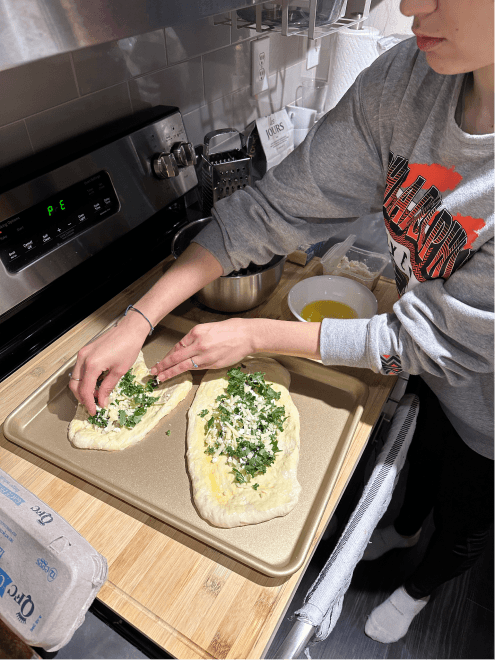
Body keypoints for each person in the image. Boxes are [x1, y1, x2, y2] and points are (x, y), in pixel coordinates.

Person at [70, 0, 494, 644]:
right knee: (424, 449)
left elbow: (434, 344)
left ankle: (419, 588)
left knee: (467, 506)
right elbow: (272, 210)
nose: (411, 6)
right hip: (432, 365)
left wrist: (254, 334)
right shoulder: (408, 80)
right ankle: (405, 525)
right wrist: (138, 317)